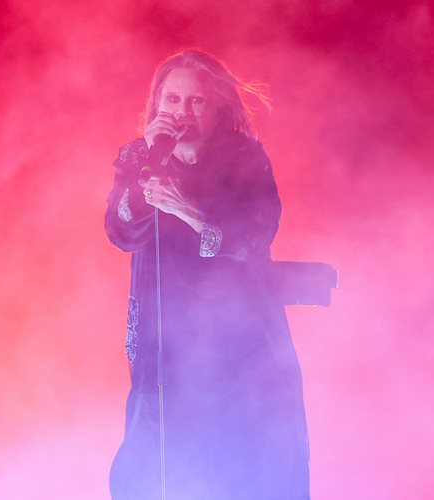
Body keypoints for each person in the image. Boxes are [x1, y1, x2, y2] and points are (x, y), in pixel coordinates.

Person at [105, 49, 310, 499]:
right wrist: (147, 173)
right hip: (164, 336)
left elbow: (255, 237)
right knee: (157, 453)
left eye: (196, 101)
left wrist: (190, 211)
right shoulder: (138, 157)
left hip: (239, 337)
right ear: (157, 104)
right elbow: (120, 230)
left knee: (242, 455)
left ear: (217, 107)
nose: (182, 113)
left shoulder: (245, 158)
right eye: (172, 100)